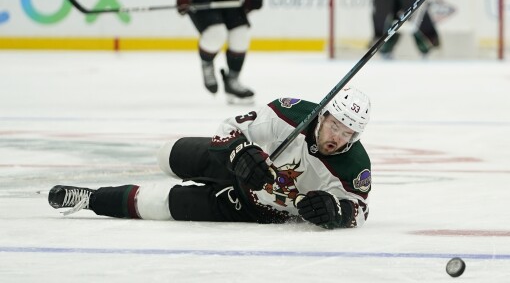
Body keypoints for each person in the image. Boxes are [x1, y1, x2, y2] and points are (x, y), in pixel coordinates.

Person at [48, 87, 373, 230]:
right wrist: (241, 153)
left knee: (160, 206)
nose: (337, 138)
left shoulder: (354, 165)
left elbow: (359, 209)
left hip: (250, 208)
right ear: (325, 114)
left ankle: (91, 199)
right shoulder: (289, 114)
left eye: (348, 134)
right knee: (167, 154)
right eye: (335, 126)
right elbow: (229, 129)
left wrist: (337, 211)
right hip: (228, 163)